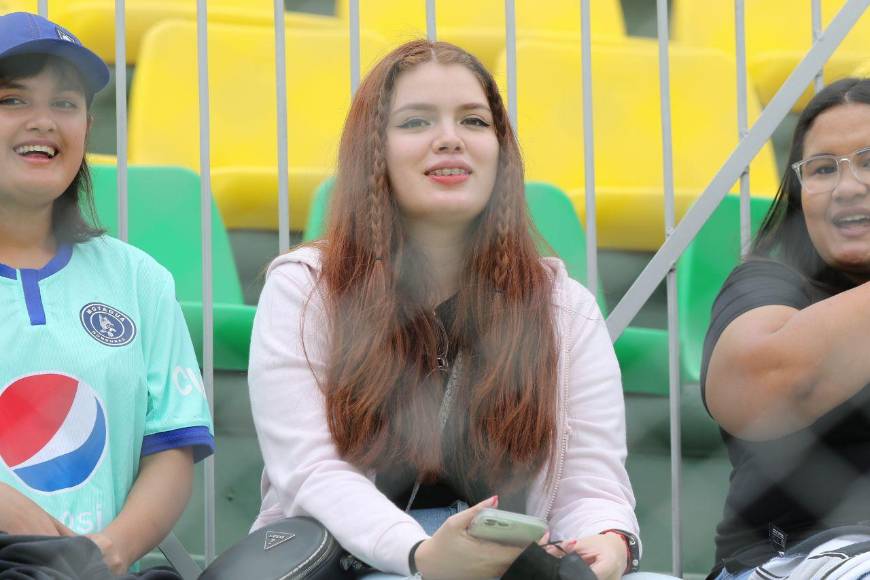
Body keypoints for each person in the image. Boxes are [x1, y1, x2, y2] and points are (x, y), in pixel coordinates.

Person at [249, 39, 674, 580]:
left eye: (474, 122)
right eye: (416, 122)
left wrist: (609, 539)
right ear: (371, 151)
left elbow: (590, 481)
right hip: (355, 556)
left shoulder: (564, 305)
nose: (450, 139)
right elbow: (309, 470)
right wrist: (422, 554)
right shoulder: (306, 288)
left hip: (513, 562)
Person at [0, 11, 214, 576]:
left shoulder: (139, 278)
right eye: (13, 100)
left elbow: (170, 446)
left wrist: (106, 552)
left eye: (65, 104)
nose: (44, 121)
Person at [702, 77, 870, 579]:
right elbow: (760, 392)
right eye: (822, 169)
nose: (848, 186)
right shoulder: (767, 285)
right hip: (793, 556)